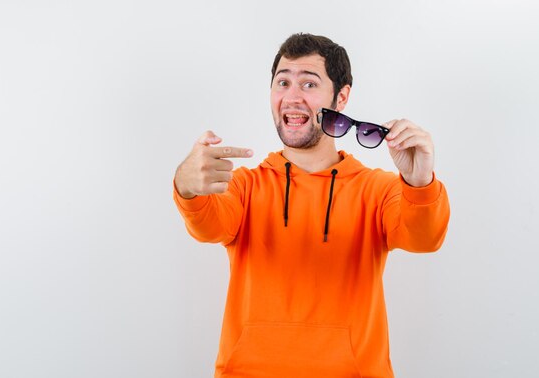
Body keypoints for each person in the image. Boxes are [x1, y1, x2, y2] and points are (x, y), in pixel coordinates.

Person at [173, 33, 450, 378]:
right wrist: (186, 186)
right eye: (283, 82)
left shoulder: (376, 190)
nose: (291, 97)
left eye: (308, 84)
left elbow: (424, 238)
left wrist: (420, 182)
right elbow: (207, 226)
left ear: (341, 96)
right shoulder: (244, 186)